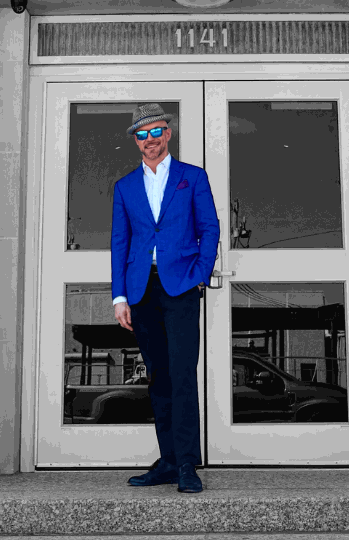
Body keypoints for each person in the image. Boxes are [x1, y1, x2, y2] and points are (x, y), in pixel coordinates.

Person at [111, 101, 220, 493]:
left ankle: (188, 463)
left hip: (179, 287)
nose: (150, 140)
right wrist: (119, 296)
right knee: (158, 378)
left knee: (182, 375)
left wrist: (199, 275)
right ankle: (168, 460)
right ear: (136, 141)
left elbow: (210, 228)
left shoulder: (192, 177)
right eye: (142, 134)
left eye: (156, 132)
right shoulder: (124, 187)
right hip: (141, 291)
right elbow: (119, 243)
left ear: (168, 133)